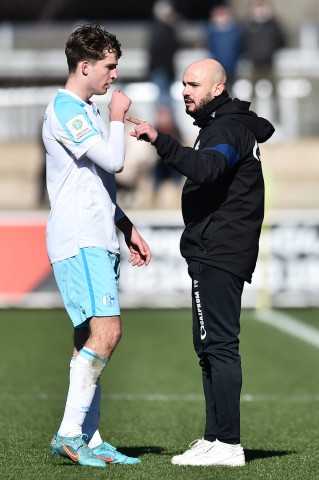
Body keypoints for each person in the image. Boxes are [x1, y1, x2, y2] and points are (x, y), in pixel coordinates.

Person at [127, 58, 274, 467]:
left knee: (220, 346)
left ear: (217, 88)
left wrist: (160, 139)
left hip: (221, 252)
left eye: (193, 84)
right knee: (207, 346)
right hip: (212, 249)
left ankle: (228, 444)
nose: (185, 90)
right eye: (183, 83)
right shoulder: (219, 126)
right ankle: (214, 438)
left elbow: (208, 169)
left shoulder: (227, 129)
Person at [42, 23, 151, 469]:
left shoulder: (85, 110)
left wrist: (126, 227)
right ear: (84, 66)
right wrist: (117, 118)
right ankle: (70, 434)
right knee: (108, 332)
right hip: (80, 236)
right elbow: (116, 162)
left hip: (99, 234)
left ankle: (89, 436)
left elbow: (99, 183)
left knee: (88, 335)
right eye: (109, 66)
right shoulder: (66, 109)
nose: (114, 76)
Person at [147, 0, 181, 106]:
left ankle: (165, 121)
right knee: (164, 99)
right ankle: (164, 121)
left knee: (163, 98)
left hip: (162, 69)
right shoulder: (164, 30)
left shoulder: (161, 29)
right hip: (162, 70)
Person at [206, 3, 243, 90]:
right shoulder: (210, 31)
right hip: (217, 66)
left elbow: (240, 46)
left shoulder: (235, 30)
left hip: (233, 66)